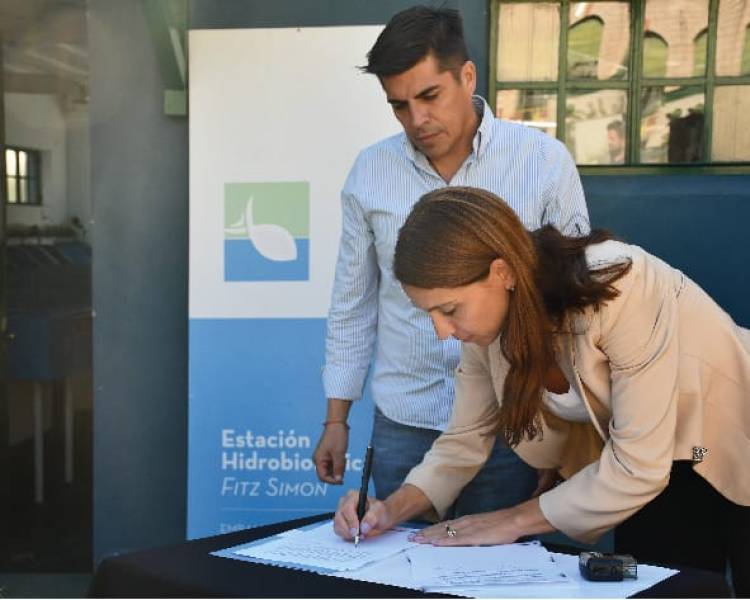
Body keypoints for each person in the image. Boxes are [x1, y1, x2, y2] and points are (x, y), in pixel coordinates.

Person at [334, 186, 750, 596]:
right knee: (674, 587)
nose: (442, 332)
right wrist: (390, 510)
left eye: (449, 310)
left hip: (720, 445)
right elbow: (463, 441)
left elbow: (639, 468)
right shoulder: (486, 331)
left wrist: (510, 520)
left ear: (502, 272)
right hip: (659, 464)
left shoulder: (622, 284)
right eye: (430, 314)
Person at [314, 5, 590, 518]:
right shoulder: (370, 173)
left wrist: (564, 431)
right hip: (405, 421)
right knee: (394, 573)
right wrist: (337, 419)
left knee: (502, 581)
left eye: (429, 96)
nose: (416, 119)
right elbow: (353, 304)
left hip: (517, 420)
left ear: (467, 76)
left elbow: (573, 304)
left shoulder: (543, 161)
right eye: (398, 105)